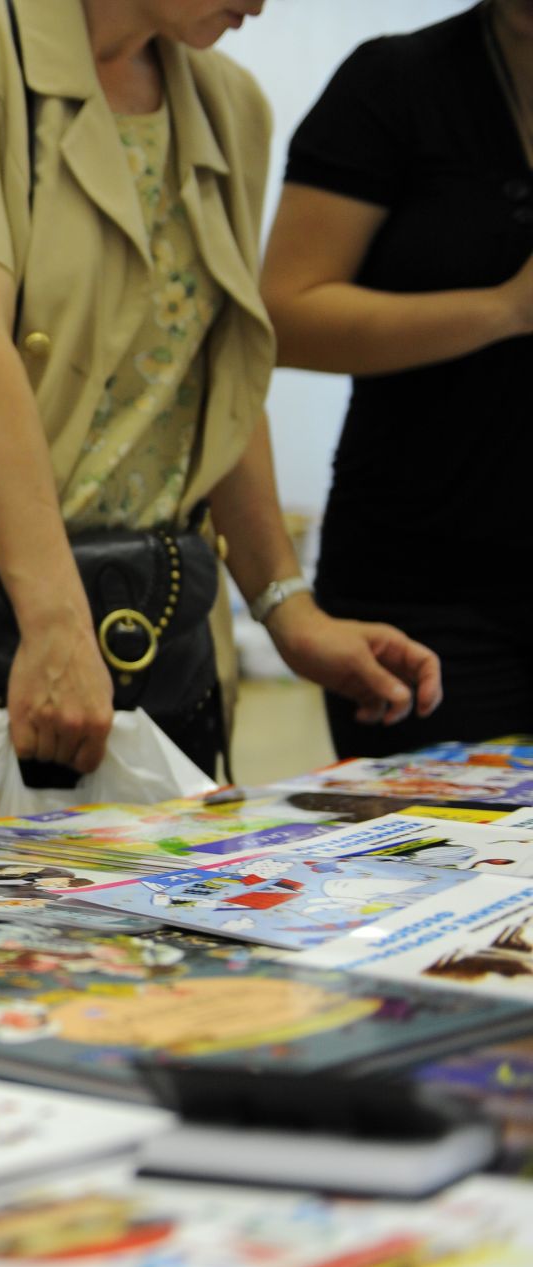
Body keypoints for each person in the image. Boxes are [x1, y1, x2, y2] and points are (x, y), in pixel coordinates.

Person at [0, 0, 443, 865]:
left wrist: (289, 608)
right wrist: (55, 626)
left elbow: (215, 385)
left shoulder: (227, 103)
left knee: (151, 978)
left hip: (142, 633)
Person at [260, 0, 533, 758]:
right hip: (423, 590)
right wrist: (506, 310)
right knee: (438, 866)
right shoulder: (396, 84)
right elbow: (278, 320)